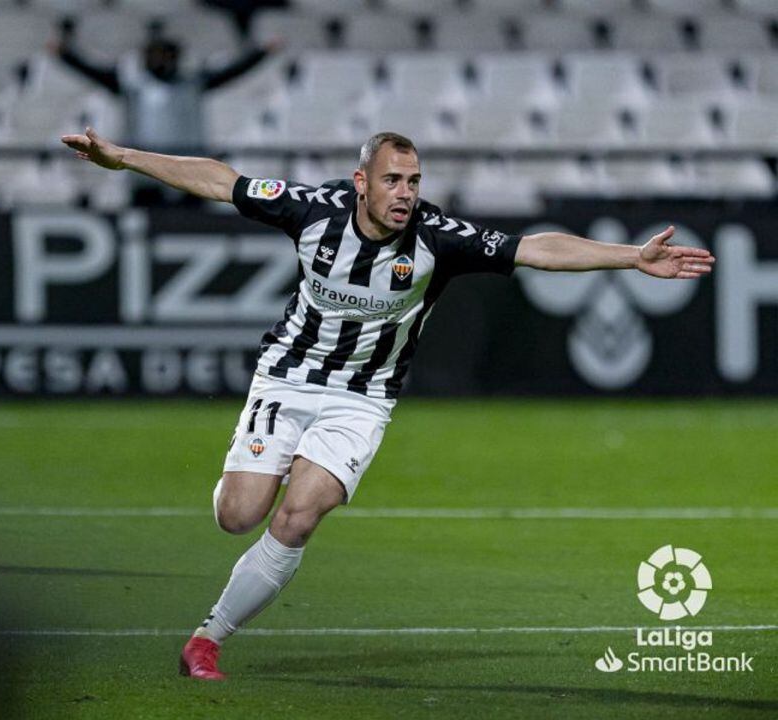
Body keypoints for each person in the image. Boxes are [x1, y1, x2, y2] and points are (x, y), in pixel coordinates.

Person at [60, 127, 715, 681]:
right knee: (238, 516)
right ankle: (258, 467)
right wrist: (125, 157)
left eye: (414, 181)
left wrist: (631, 258)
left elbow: (534, 248)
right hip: (287, 378)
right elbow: (219, 179)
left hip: (362, 398)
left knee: (299, 518)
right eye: (393, 180)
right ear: (362, 183)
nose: (406, 193)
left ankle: (207, 639)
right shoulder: (311, 211)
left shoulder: (437, 238)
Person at [53, 30, 281, 203]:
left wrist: (262, 53)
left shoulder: (193, 84)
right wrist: (65, 55)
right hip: (145, 173)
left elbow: (232, 72)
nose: (160, 61)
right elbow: (94, 72)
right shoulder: (133, 85)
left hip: (191, 170)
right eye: (154, 56)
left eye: (165, 55)